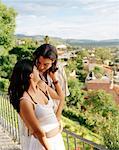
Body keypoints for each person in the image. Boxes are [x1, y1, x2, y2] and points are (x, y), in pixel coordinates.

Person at [8, 59, 65, 150]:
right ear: (31, 75)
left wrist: (54, 78)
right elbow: (37, 131)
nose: (38, 70)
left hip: (57, 139)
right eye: (35, 69)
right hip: (43, 145)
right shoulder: (25, 101)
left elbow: (60, 96)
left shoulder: (41, 87)